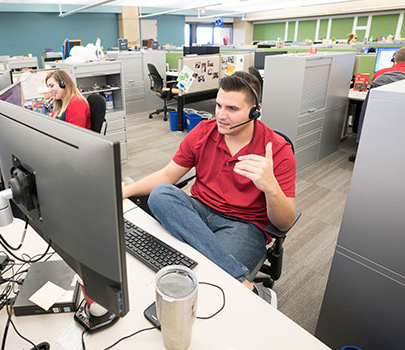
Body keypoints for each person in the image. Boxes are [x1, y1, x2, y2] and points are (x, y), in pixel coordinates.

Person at [123, 72, 296, 307]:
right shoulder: (204, 131)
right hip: (199, 210)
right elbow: (167, 175)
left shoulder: (276, 149)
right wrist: (121, 192)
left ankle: (224, 271)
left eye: (232, 109)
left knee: (208, 283)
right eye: (218, 105)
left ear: (256, 110)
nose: (221, 116)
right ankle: (237, 277)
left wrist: (271, 188)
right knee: (161, 193)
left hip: (243, 225)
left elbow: (284, 223)